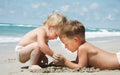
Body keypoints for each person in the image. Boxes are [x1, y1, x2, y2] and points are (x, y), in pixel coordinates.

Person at [52, 20, 120, 70]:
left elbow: (81, 67)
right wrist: (62, 63)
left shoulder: (83, 48)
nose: (65, 47)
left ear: (75, 40)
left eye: (66, 44)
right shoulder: (83, 47)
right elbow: (77, 63)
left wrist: (65, 62)